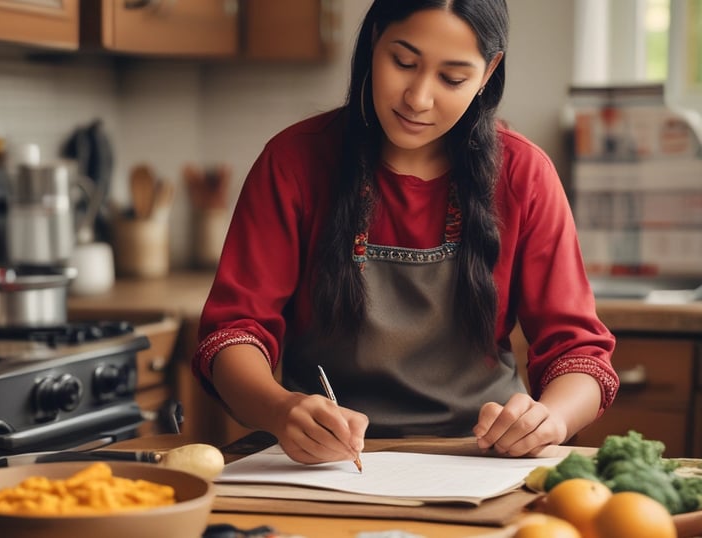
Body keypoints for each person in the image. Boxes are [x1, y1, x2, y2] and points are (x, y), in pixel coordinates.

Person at [192, 0, 618, 465]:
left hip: (482, 460)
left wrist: (551, 419)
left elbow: (579, 353)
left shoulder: (524, 173)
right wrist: (280, 409)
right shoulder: (293, 162)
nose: (418, 98)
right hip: (328, 464)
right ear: (374, 39)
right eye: (403, 62)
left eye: (452, 78)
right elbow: (231, 335)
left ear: (488, 71)